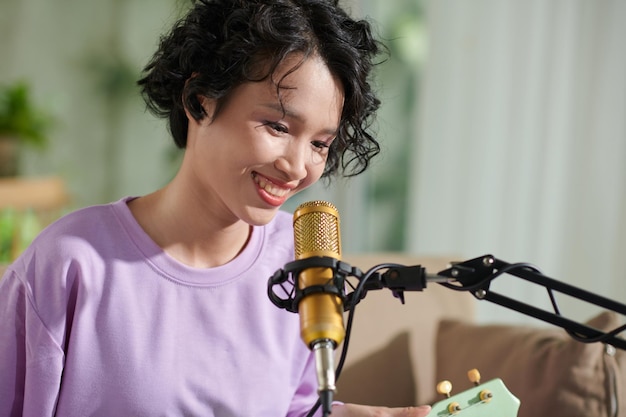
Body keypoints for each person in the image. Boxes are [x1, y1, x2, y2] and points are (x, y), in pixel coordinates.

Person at [0, 1, 432, 416]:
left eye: (320, 143)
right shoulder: (70, 263)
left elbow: (293, 407)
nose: (297, 167)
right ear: (200, 98)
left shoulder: (301, 258)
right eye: (278, 126)